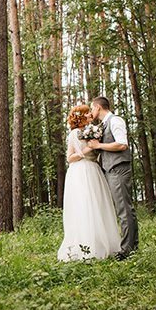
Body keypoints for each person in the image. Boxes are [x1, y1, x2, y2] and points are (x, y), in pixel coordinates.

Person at [58, 104, 122, 261]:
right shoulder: (74, 133)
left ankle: (104, 244)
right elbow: (70, 158)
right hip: (80, 172)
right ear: (80, 116)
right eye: (86, 113)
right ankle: (85, 247)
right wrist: (87, 149)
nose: (89, 115)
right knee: (85, 206)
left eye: (89, 112)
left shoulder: (94, 130)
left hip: (94, 170)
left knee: (99, 205)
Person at [87, 96, 138, 259]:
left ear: (97, 107)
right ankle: (129, 246)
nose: (90, 111)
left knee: (124, 208)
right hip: (110, 169)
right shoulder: (102, 124)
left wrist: (99, 145)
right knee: (120, 208)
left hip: (118, 168)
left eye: (91, 108)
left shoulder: (115, 121)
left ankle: (128, 250)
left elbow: (122, 144)